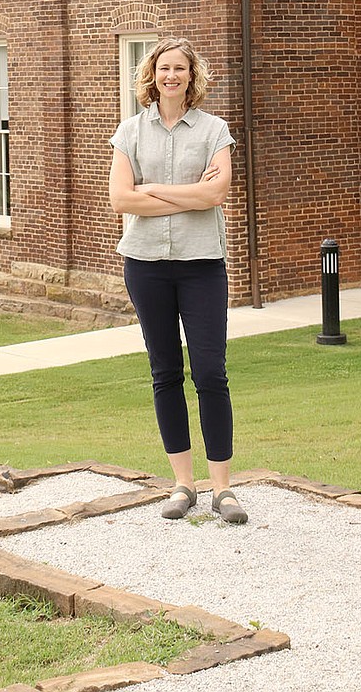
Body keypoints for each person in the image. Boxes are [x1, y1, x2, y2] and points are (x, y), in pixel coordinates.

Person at [108, 37, 247, 524]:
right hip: (145, 266)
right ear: (153, 74)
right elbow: (122, 201)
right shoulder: (130, 132)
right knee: (165, 372)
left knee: (211, 373)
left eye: (180, 69)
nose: (171, 76)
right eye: (163, 68)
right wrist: (191, 194)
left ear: (193, 77)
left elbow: (218, 194)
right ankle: (182, 485)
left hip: (201, 264)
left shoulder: (214, 130)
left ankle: (223, 490)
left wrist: (156, 189)